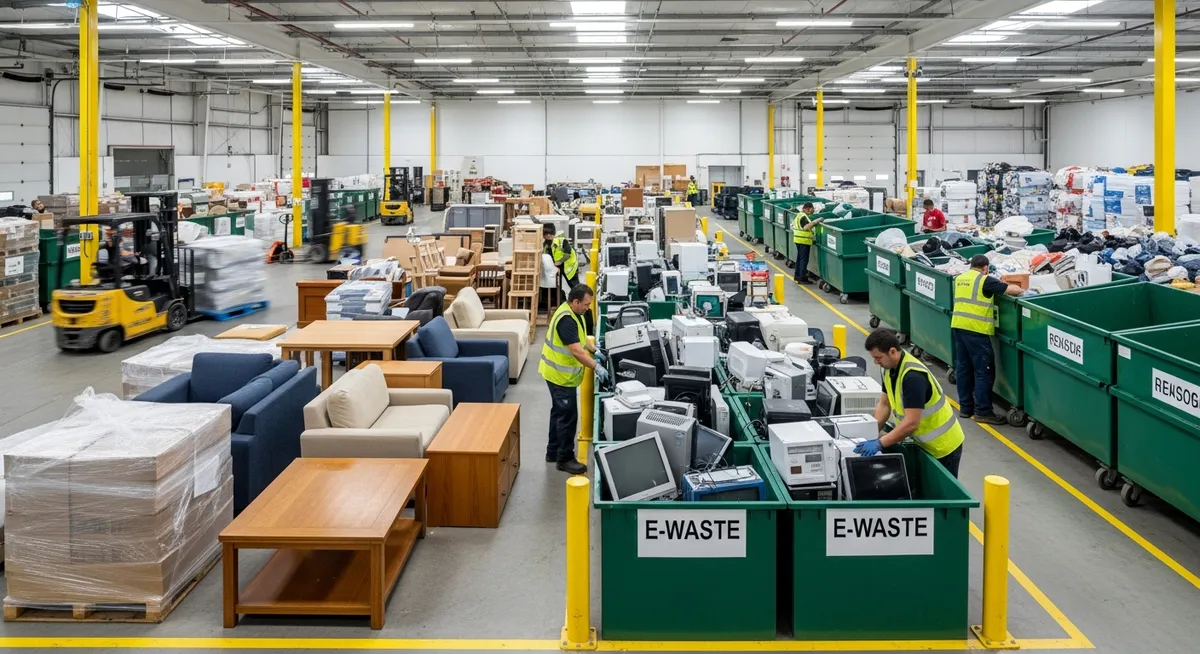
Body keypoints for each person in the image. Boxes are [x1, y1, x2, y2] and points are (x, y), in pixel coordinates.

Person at [857, 328, 966, 478]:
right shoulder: (888, 369)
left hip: (943, 446)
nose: (876, 362)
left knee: (941, 491)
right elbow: (884, 405)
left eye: (878, 357)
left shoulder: (913, 377)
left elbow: (911, 423)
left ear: (893, 351)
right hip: (922, 443)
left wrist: (879, 444)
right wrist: (872, 432)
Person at [540, 283, 608, 475]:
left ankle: (553, 452)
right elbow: (577, 351)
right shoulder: (566, 320)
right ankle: (564, 459)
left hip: (555, 374)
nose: (588, 308)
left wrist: (594, 350)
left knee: (558, 412)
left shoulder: (571, 311)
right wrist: (596, 367)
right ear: (575, 301)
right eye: (586, 304)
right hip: (560, 377)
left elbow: (580, 337)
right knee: (568, 417)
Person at [951, 254, 1024, 425]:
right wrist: (1021, 289)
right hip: (976, 330)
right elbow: (1013, 290)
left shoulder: (959, 278)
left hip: (958, 326)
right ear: (985, 268)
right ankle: (983, 411)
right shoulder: (984, 280)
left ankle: (965, 408)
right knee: (984, 371)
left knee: (963, 369)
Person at [792, 202, 824, 284]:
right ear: (808, 209)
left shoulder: (799, 215)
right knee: (803, 260)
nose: (813, 212)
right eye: (812, 210)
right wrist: (816, 221)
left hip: (798, 240)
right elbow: (806, 227)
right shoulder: (803, 216)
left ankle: (797, 276)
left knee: (799, 259)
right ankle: (802, 278)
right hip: (803, 241)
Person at [543, 222, 579, 289]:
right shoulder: (546, 244)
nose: (546, 236)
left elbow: (568, 254)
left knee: (574, 285)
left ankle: (579, 295)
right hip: (559, 267)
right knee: (557, 285)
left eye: (548, 234)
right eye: (544, 235)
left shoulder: (562, 241)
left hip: (569, 266)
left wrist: (559, 262)